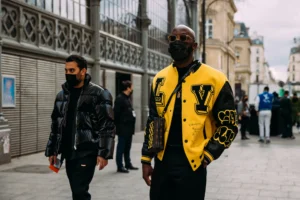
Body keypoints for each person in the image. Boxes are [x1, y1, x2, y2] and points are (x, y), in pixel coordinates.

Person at [141, 25, 238, 200]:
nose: (177, 42)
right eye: (173, 38)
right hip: (163, 161)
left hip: (193, 163)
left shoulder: (216, 79)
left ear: (194, 45)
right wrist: (146, 159)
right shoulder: (159, 79)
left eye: (184, 38)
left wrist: (209, 154)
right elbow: (153, 119)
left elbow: (229, 124)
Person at [45, 55, 115, 200]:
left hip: (87, 150)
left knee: (79, 190)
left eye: (72, 70)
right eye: (66, 70)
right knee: (76, 191)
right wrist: (53, 150)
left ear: (83, 71)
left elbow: (107, 124)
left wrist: (104, 153)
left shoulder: (99, 93)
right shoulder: (62, 95)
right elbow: (56, 125)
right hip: (68, 152)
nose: (68, 74)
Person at [114, 80, 138, 173]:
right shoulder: (120, 99)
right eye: (131, 86)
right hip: (123, 128)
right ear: (128, 88)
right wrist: (118, 126)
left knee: (128, 147)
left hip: (129, 128)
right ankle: (120, 166)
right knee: (121, 147)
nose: (132, 88)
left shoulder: (127, 98)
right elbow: (116, 114)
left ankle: (128, 163)